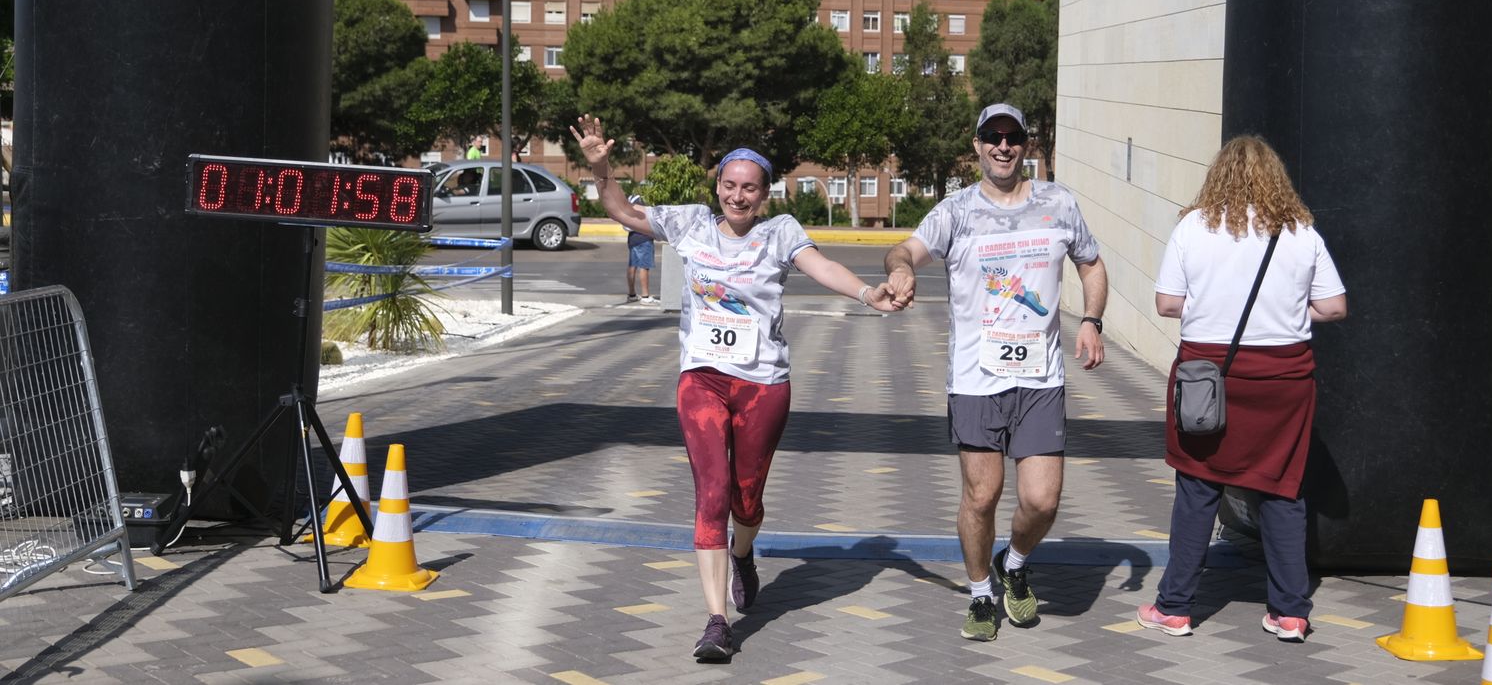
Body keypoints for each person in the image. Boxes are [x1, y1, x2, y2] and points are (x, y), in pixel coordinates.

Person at [570, 114, 901, 662]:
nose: (737, 196)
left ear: (764, 195)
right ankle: (717, 621)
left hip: (763, 383)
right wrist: (601, 169)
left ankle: (743, 553)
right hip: (702, 378)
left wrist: (868, 294)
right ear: (717, 186)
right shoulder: (691, 224)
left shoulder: (780, 232)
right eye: (729, 185)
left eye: (749, 188)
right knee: (712, 493)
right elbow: (623, 212)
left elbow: (821, 267)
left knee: (747, 499)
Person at [883, 102, 1108, 643]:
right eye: (993, 136)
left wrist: (1092, 320)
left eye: (1012, 136)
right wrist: (901, 269)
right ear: (978, 145)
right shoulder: (956, 211)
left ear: (1026, 144)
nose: (1003, 146)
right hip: (976, 379)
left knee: (1042, 500)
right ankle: (981, 593)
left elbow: (1091, 263)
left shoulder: (1058, 203)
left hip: (1040, 378)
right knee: (982, 497)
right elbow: (904, 249)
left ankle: (1015, 562)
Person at [1134, 134, 1347, 644]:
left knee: (1197, 487)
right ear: (1277, 178)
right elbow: (1335, 306)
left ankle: (1175, 608)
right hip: (1284, 381)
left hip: (1208, 377)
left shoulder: (1193, 227)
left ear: (1218, 175)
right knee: (1282, 488)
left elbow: (1167, 303)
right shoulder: (1301, 233)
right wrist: (1289, 314)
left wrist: (1210, 309)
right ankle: (1290, 613)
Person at [625, 193, 657, 304]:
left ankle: (632, 294)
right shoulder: (641, 201)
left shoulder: (630, 201)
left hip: (632, 237)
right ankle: (645, 296)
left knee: (632, 265)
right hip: (643, 237)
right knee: (644, 266)